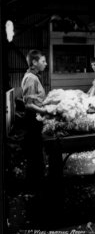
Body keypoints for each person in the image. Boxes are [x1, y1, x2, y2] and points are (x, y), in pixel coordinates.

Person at [21, 49, 48, 191]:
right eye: (43, 61)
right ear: (34, 62)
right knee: (35, 154)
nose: (46, 64)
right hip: (32, 120)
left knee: (36, 153)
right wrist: (44, 111)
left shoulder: (33, 76)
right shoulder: (31, 78)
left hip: (35, 118)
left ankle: (36, 185)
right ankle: (34, 188)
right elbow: (28, 104)